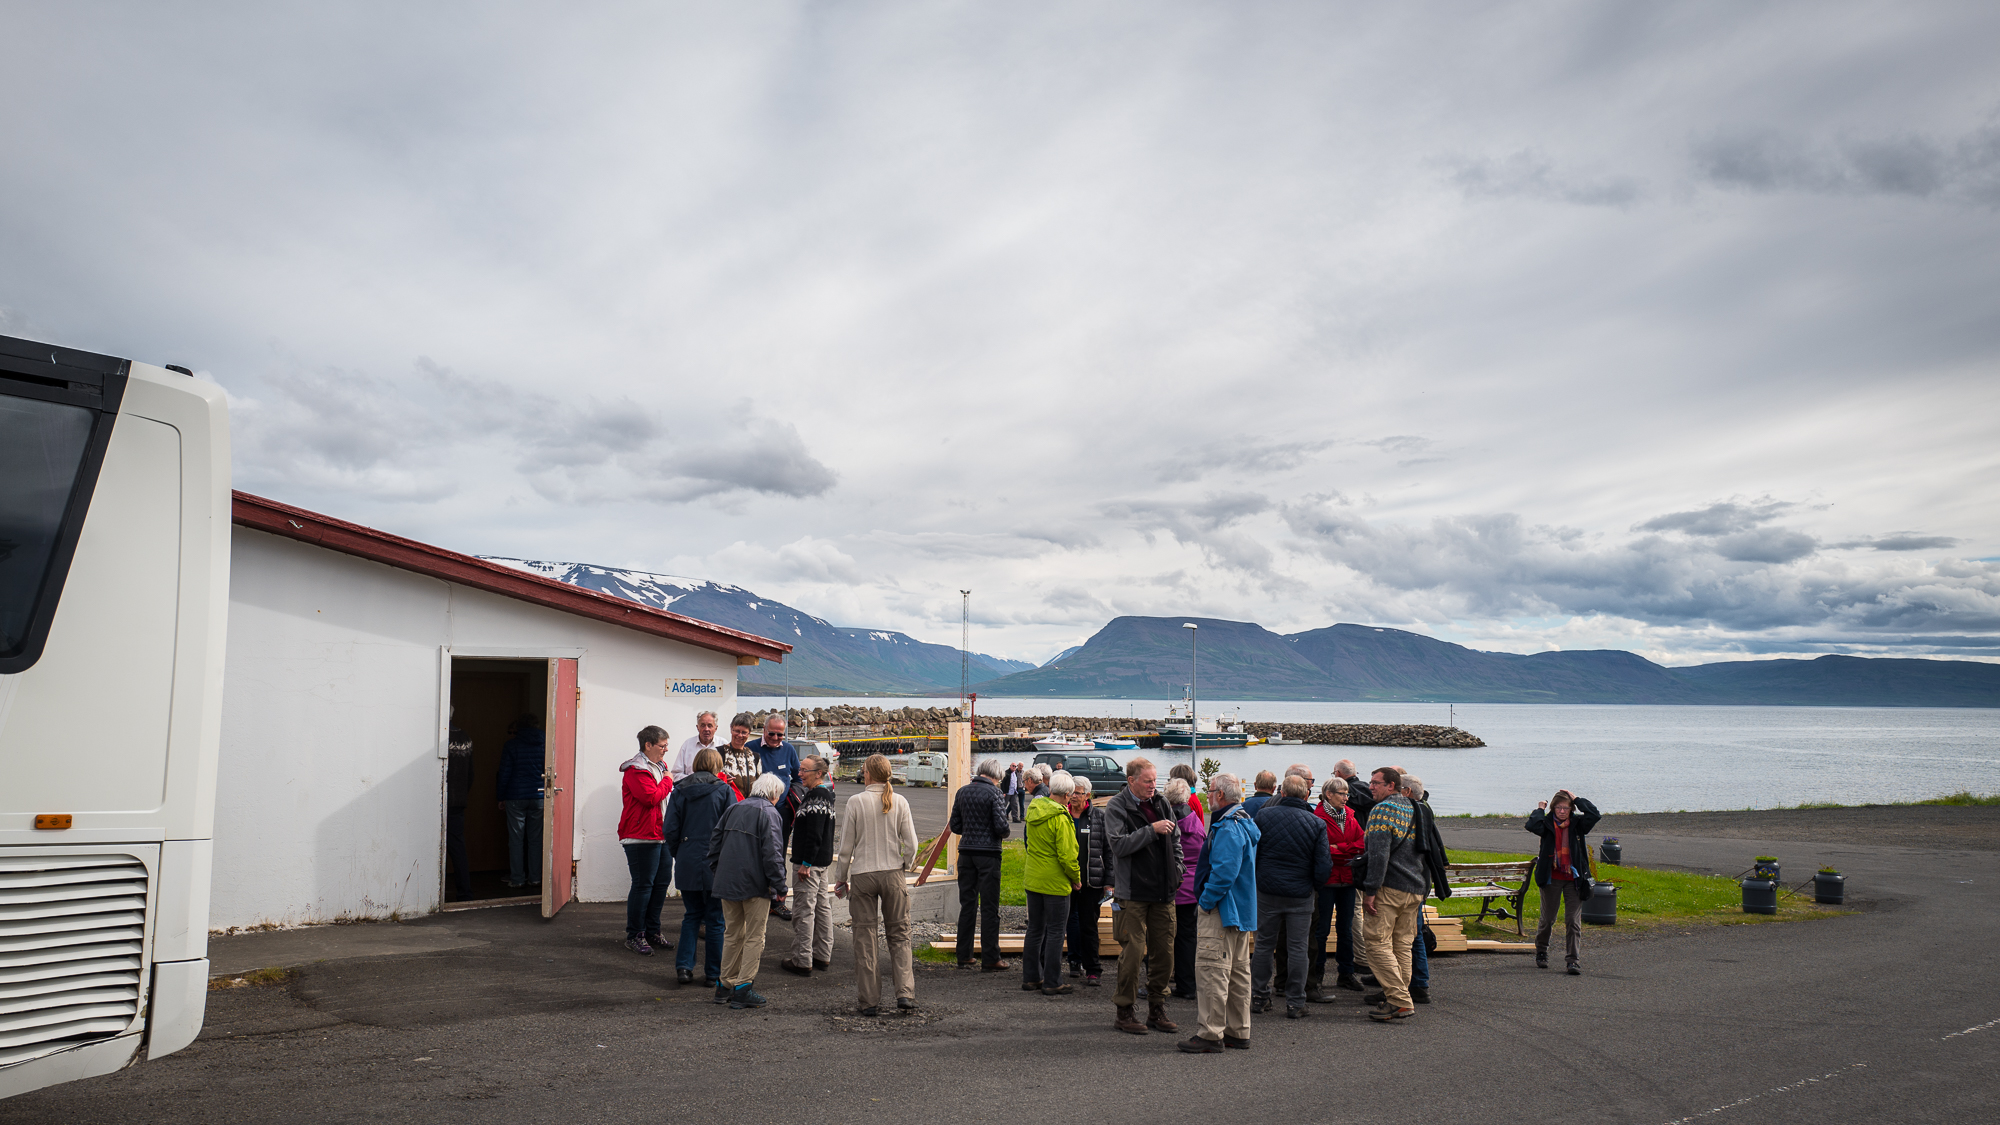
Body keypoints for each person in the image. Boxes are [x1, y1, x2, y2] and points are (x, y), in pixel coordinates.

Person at [833, 754, 920, 1016]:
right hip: (893, 872)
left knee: (865, 936)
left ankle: (869, 1000)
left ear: (868, 774)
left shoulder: (856, 801)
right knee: (900, 934)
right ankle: (905, 992)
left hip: (863, 875)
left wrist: (841, 878)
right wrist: (906, 863)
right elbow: (912, 843)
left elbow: (846, 847)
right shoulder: (900, 800)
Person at [1180, 772, 1259, 1054]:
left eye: (1210, 790)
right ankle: (1238, 1030)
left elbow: (1224, 872)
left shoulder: (1227, 827)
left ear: (1221, 795)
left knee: (1213, 971)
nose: (1208, 794)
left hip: (1222, 910)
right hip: (1241, 911)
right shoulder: (1243, 822)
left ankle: (1211, 1033)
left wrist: (1205, 901)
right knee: (1238, 973)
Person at [1104, 756, 1182, 1035]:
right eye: (1147, 780)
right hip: (1132, 894)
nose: (1153, 785)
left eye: (1155, 780)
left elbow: (1176, 839)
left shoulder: (1161, 803)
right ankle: (1124, 1011)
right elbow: (1118, 846)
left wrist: (1178, 869)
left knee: (1164, 954)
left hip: (1163, 892)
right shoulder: (1117, 806)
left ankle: (1156, 1008)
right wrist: (1151, 830)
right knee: (1133, 954)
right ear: (1131, 781)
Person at [1250, 774, 1333, 1019]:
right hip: (1301, 892)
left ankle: (1259, 996)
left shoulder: (1263, 816)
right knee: (1298, 948)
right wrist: (1313, 885)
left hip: (1267, 890)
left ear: (1281, 793)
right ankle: (1295, 1001)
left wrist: (1259, 877)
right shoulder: (1316, 823)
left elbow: (1253, 850)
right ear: (1306, 795)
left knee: (1264, 945)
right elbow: (1323, 865)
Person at [708, 772, 787, 1009]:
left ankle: (724, 986)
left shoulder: (734, 808)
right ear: (774, 794)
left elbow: (714, 843)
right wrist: (780, 885)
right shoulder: (769, 813)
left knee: (732, 934)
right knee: (755, 937)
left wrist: (718, 871)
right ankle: (744, 987)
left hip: (727, 881)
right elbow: (772, 854)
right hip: (755, 884)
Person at [663, 748, 735, 985]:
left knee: (692, 916)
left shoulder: (680, 790)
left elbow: (670, 829)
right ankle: (713, 973)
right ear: (717, 766)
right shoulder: (724, 791)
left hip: (688, 857)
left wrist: (679, 852)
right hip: (717, 861)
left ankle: (684, 967)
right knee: (715, 920)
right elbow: (732, 828)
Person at [1359, 766, 1425, 1022]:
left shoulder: (1381, 810)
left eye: (1376, 783)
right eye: (1370, 782)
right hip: (1415, 888)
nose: (1370, 787)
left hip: (1390, 888)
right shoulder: (1415, 807)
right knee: (1402, 945)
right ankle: (1396, 996)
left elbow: (1378, 855)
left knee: (1376, 942)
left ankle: (1399, 1000)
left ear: (1391, 786)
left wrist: (1370, 890)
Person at [1528, 788, 1603, 975]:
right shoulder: (1545, 824)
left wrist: (1576, 798)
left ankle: (1572, 960)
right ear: (1553, 808)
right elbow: (1531, 824)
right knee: (1548, 919)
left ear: (1571, 809)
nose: (1562, 811)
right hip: (1551, 877)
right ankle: (1542, 951)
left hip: (1574, 878)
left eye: (1566, 808)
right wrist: (1540, 808)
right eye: (1559, 808)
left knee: (1572, 920)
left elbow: (1594, 814)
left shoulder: (1578, 824)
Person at [948, 758, 1012, 972]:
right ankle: (991, 957)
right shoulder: (994, 793)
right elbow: (1001, 826)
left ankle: (964, 955)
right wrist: (1002, 832)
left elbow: (955, 825)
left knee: (967, 905)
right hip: (988, 855)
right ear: (996, 776)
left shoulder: (962, 791)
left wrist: (972, 831)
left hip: (966, 853)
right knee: (989, 907)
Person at [1023, 771, 1083, 996]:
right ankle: (1052, 980)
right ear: (1067, 795)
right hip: (1055, 882)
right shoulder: (1061, 818)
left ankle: (1031, 977)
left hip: (1033, 878)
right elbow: (1068, 856)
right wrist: (1076, 879)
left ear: (1050, 790)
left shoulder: (1034, 811)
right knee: (1057, 931)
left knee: (1035, 929)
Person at [1307, 777, 1366, 1001]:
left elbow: (1361, 844)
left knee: (1346, 928)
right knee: (1321, 930)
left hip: (1348, 880)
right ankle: (1317, 975)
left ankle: (1346, 973)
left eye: (1346, 793)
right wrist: (1346, 851)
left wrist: (1339, 848)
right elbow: (1321, 850)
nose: (1346, 797)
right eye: (1342, 793)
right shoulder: (1318, 817)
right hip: (1328, 881)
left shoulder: (1350, 816)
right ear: (1328, 794)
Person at [618, 725, 676, 955]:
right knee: (643, 886)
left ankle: (653, 931)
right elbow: (650, 797)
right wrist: (669, 780)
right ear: (648, 745)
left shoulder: (659, 766)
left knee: (660, 885)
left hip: (661, 835)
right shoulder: (636, 770)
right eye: (662, 746)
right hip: (641, 836)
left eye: (666, 745)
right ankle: (635, 934)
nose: (665, 750)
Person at [781, 755, 837, 976]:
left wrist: (805, 863)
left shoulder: (816, 796)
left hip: (809, 865)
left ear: (818, 773)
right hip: (821, 863)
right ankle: (822, 955)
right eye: (800, 769)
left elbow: (814, 833)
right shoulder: (826, 795)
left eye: (804, 770)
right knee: (822, 909)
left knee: (804, 911)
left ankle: (802, 959)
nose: (800, 774)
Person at [1065, 776, 1108, 986]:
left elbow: (1108, 851)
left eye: (1078, 793)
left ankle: (1093, 969)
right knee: (1064, 923)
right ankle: (1073, 961)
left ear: (1088, 795)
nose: (1074, 796)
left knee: (1088, 925)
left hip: (1091, 882)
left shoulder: (1099, 817)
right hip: (1065, 882)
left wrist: (1109, 881)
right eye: (1072, 792)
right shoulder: (1062, 815)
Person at [494, 715, 545, 888]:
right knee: (536, 839)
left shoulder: (511, 745)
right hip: (539, 796)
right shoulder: (546, 742)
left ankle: (517, 879)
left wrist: (500, 797)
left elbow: (505, 773)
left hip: (515, 796)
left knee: (516, 840)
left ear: (519, 728)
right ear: (537, 725)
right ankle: (536, 877)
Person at [1333, 759, 1375, 968]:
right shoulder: (1371, 792)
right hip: (1369, 856)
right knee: (1366, 909)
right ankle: (1368, 955)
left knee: (1355, 911)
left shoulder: (1348, 801)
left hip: (1352, 861)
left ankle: (1360, 956)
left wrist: (1339, 848)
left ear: (1339, 774)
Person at [1168, 777, 1207, 1001]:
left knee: (1165, 936)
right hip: (1192, 888)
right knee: (1188, 937)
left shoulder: (1168, 823)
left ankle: (1172, 981)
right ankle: (1188, 983)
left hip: (1173, 886)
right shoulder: (1195, 822)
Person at [444, 715, 473, 901]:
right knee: (457, 848)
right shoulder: (465, 738)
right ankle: (465, 892)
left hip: (438, 801)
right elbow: (471, 773)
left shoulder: (439, 739)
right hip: (458, 801)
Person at [755, 713, 803, 802]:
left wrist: (791, 800)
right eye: (771, 734)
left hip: (783, 809)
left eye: (780, 735)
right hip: (757, 808)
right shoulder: (750, 748)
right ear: (764, 730)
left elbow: (799, 778)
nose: (775, 737)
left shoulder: (789, 749)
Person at [670, 710, 723, 779]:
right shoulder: (688, 745)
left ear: (716, 728)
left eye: (710, 726)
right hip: (692, 787)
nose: (706, 729)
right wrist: (694, 779)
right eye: (703, 725)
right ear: (697, 727)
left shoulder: (723, 744)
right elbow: (675, 774)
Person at [720, 714, 760, 798]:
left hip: (749, 807)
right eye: (737, 731)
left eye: (744, 732)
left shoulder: (755, 757)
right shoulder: (719, 753)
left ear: (749, 733)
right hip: (728, 807)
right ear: (731, 729)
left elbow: (759, 786)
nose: (740, 735)